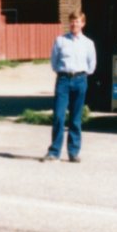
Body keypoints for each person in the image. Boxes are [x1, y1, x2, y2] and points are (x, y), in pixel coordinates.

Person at [42, 11, 97, 162]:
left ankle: (73, 152)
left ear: (83, 23)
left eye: (78, 21)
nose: (74, 24)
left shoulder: (88, 43)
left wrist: (81, 75)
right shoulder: (60, 40)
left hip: (80, 80)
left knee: (75, 118)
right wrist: (63, 73)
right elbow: (54, 61)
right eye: (72, 21)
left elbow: (92, 65)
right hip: (63, 81)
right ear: (69, 23)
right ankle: (54, 152)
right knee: (59, 116)